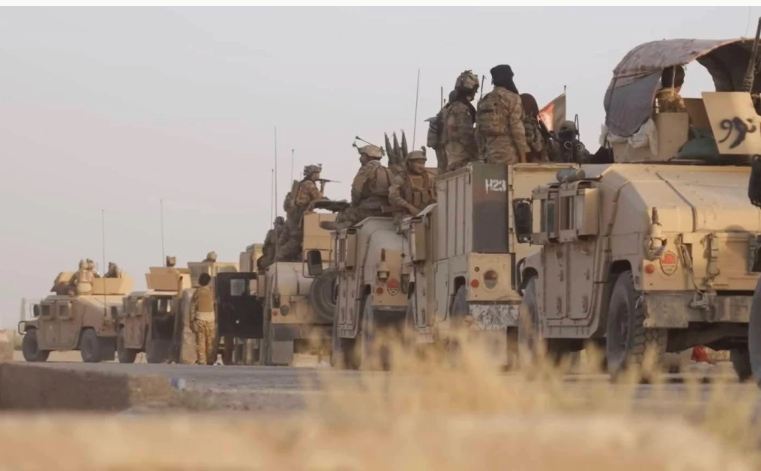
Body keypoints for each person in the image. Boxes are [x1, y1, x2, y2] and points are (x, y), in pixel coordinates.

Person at [475, 64, 529, 165]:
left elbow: (478, 132)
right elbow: (517, 129)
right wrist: (523, 158)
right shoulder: (512, 98)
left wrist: (482, 154)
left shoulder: (484, 100)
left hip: (489, 154)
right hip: (509, 154)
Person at [335, 145, 392, 230]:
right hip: (386, 210)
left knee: (342, 214)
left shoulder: (365, 169)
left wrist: (354, 204)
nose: (360, 158)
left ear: (369, 157)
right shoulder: (388, 171)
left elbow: (356, 190)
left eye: (362, 155)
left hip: (368, 210)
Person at [277, 165, 325, 261]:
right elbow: (318, 198)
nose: (319, 176)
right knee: (297, 239)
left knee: (288, 237)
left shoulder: (303, 183)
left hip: (293, 214)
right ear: (313, 174)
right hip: (299, 214)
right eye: (317, 174)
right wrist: (322, 186)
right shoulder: (309, 184)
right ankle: (280, 256)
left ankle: (280, 254)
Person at [388, 148, 436, 225]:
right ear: (409, 164)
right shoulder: (400, 179)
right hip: (404, 215)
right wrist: (409, 207)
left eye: (423, 163)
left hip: (424, 214)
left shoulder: (428, 179)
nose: (422, 166)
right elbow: (393, 197)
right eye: (419, 163)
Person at [444, 71, 480, 171]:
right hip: (462, 159)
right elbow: (466, 135)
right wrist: (477, 154)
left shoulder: (451, 107)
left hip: (452, 157)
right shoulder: (462, 108)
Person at [426, 90, 458, 172]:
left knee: (443, 167)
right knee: (447, 167)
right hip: (445, 145)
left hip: (442, 145)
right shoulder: (450, 111)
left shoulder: (445, 111)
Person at [520, 93, 555, 163]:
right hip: (535, 164)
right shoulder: (528, 124)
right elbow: (534, 146)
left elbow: (535, 145)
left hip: (535, 165)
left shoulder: (527, 124)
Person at [190, 273, 216, 365]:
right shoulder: (212, 292)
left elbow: (192, 307)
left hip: (200, 318)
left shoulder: (197, 292)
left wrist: (192, 320)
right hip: (211, 319)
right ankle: (210, 360)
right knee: (210, 342)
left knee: (201, 341)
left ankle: (202, 361)